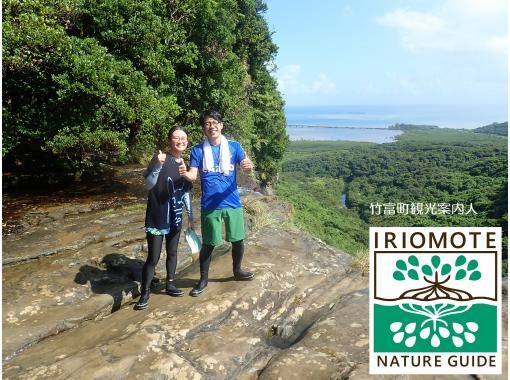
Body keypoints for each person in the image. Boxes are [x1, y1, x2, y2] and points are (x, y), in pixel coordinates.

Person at [179, 109, 255, 297]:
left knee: (237, 240)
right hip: (210, 205)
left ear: (221, 125)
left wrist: (248, 167)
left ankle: (237, 271)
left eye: (214, 123)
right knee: (209, 244)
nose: (211, 126)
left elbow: (247, 166)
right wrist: (183, 173)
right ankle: (203, 279)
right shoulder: (197, 150)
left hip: (232, 202)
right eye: (207, 124)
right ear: (204, 128)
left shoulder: (234, 146)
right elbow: (193, 175)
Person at [135, 126, 194, 310]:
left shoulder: (184, 164)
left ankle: (170, 283)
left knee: (173, 252)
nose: (180, 141)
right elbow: (148, 184)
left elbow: (186, 193)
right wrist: (157, 166)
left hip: (175, 216)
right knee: (153, 257)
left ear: (187, 141)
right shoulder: (161, 158)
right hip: (157, 216)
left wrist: (191, 217)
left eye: (183, 138)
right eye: (176, 137)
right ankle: (144, 294)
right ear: (170, 140)